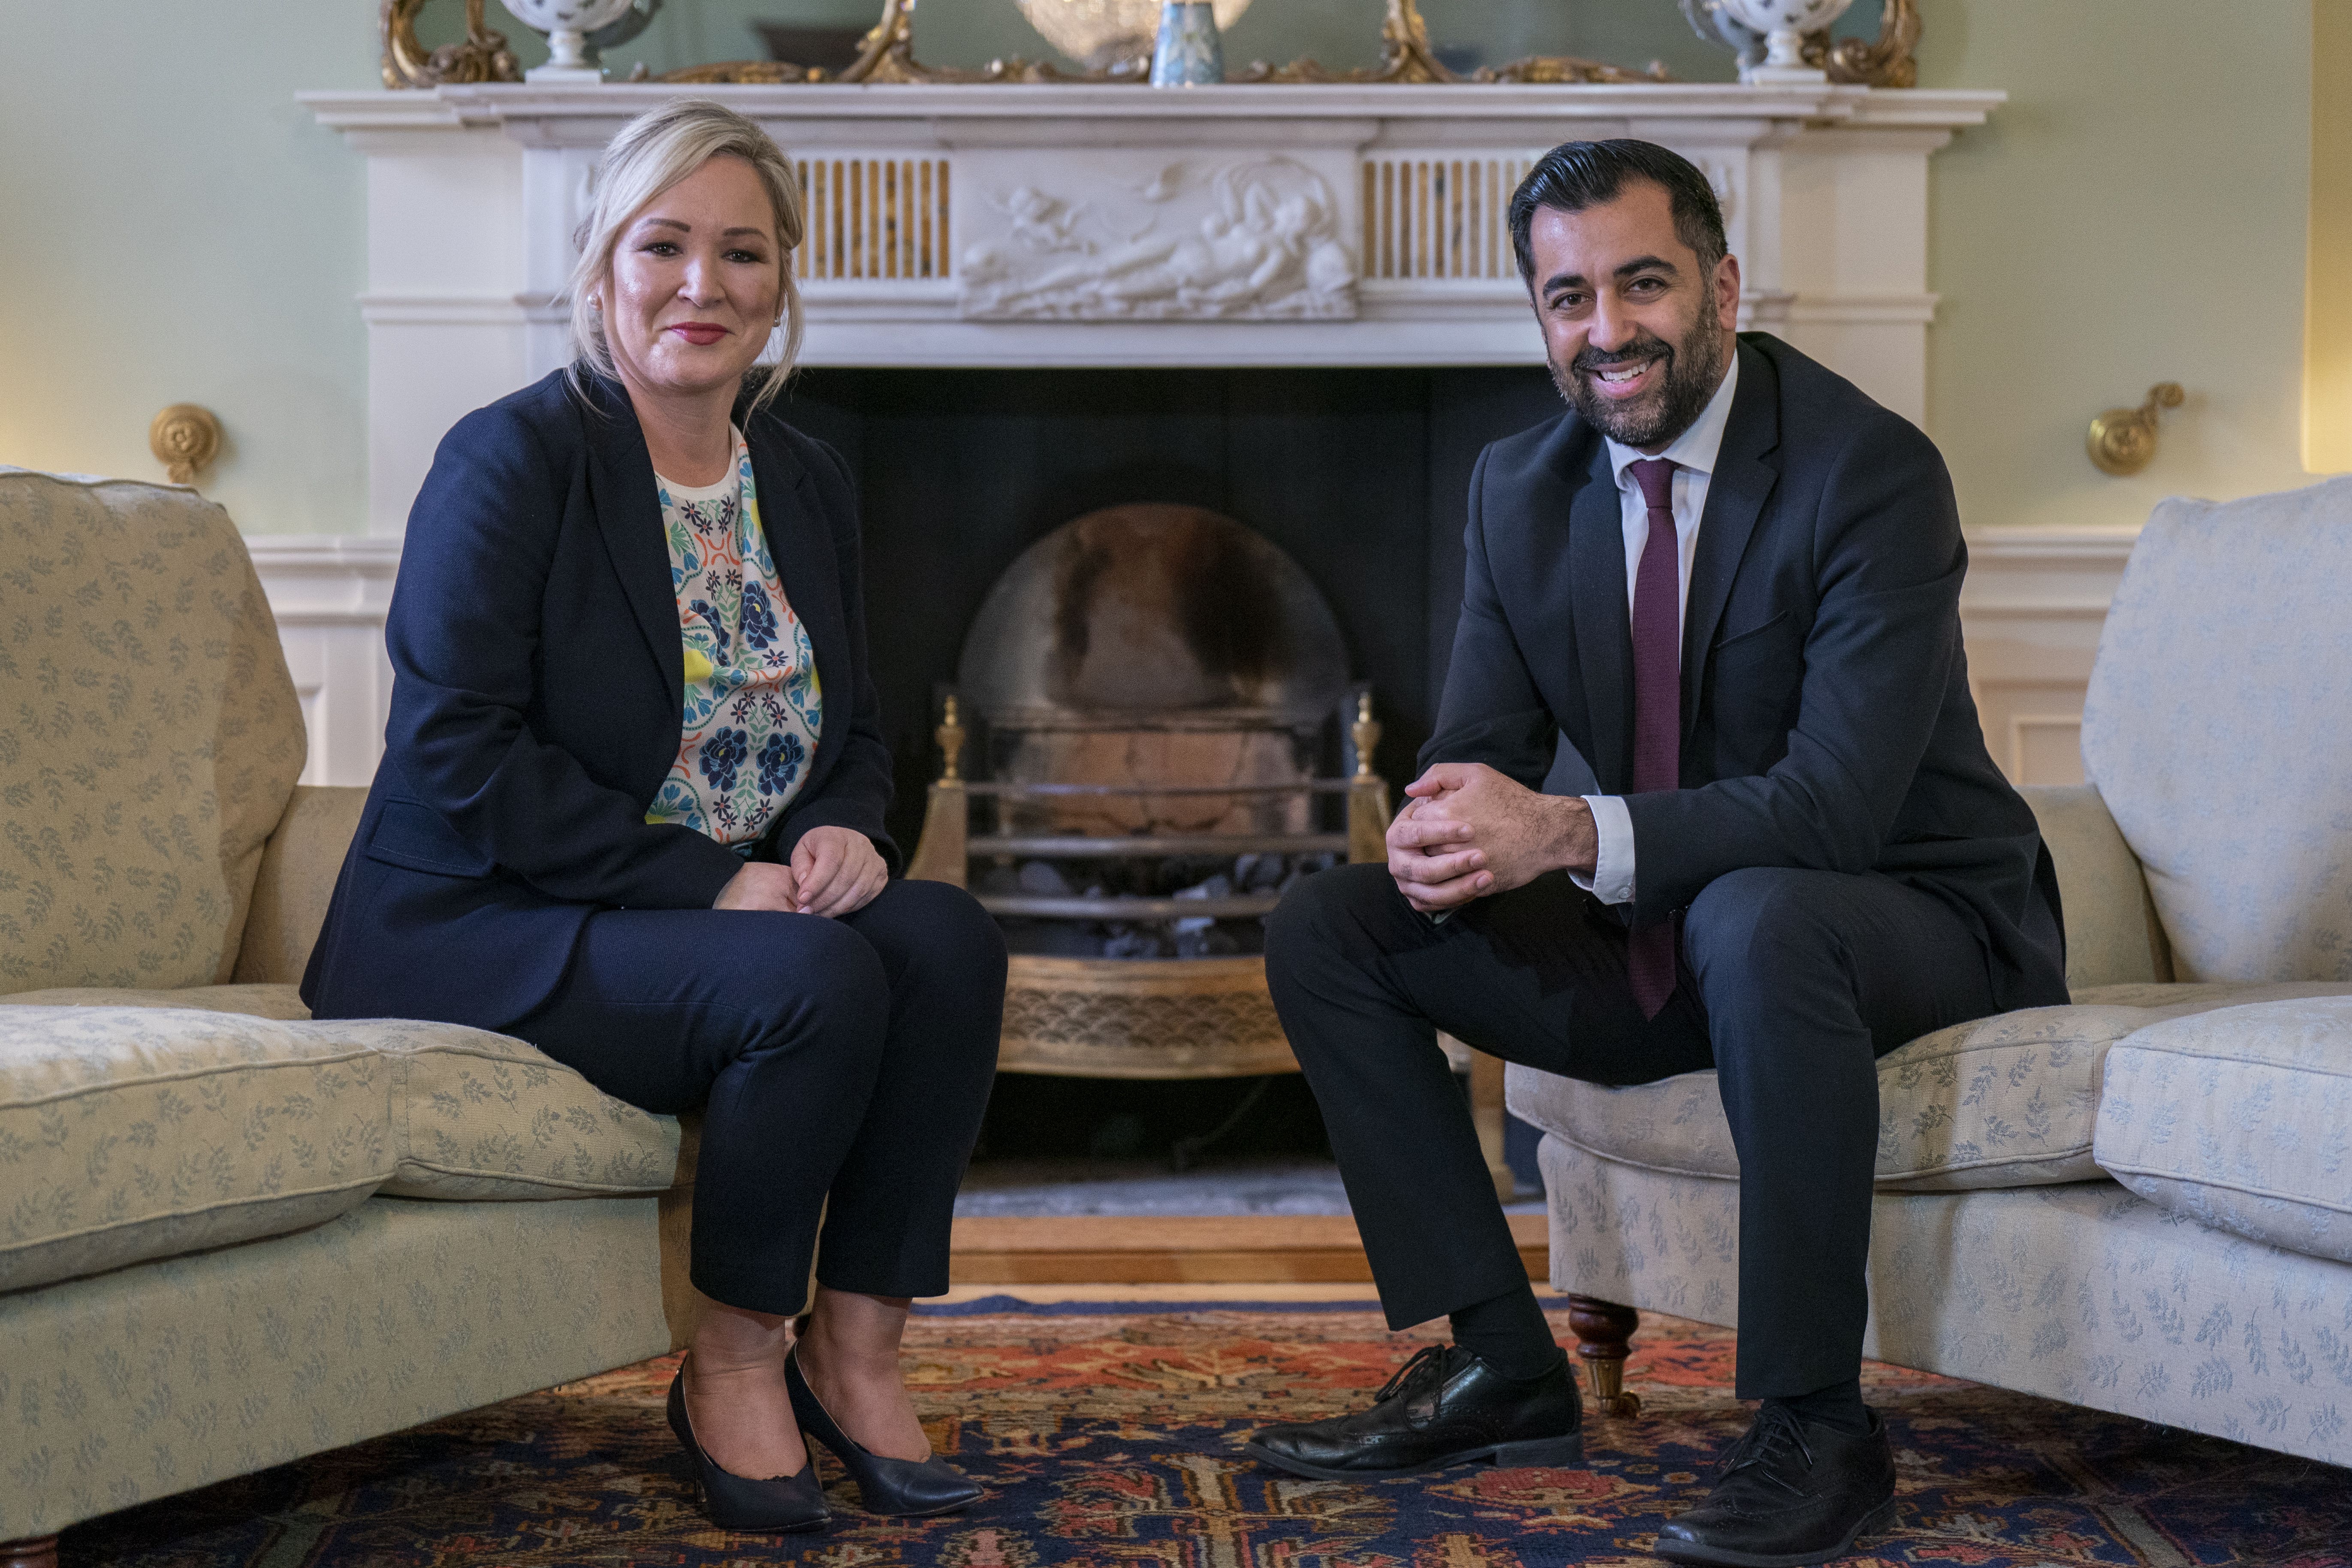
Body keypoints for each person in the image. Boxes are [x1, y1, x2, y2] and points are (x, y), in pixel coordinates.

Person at [1246, 139, 2065, 1568]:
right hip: (1676, 932)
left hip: (1906, 918)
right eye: (1568, 298)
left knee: (1759, 913)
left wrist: (1555, 831)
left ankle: (1817, 1426)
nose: (1607, 331)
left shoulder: (1867, 472)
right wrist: (1443, 837)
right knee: (1334, 924)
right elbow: (1480, 750)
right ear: (1540, 318)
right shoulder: (1518, 486)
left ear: (1721, 286)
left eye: (1642, 283)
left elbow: (1828, 814)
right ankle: (1499, 1363)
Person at [302, 100, 1007, 1535]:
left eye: (742, 252)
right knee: (806, 977)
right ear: (602, 265)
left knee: (946, 942)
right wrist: (701, 887)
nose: (705, 285)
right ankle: (735, 1355)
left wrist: (850, 828)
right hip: (488, 921)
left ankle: (856, 1349)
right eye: (665, 244)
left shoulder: (800, 479)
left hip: (709, 911)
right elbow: (455, 750)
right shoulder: (511, 460)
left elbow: (855, 724)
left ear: (783, 282)